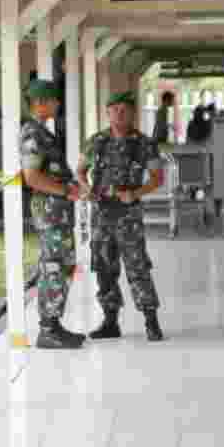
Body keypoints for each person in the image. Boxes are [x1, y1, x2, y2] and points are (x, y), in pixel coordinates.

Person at [77, 91, 165, 342]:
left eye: (124, 109)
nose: (119, 114)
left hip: (129, 215)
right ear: (107, 113)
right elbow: (81, 171)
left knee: (138, 267)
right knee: (104, 268)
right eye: (114, 109)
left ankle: (151, 320)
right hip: (102, 214)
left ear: (132, 113)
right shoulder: (96, 141)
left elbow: (158, 179)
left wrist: (136, 192)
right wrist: (86, 188)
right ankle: (110, 321)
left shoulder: (145, 143)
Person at [20, 79, 86, 349]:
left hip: (57, 211)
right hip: (50, 211)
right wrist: (64, 191)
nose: (58, 104)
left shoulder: (41, 132)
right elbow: (32, 177)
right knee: (54, 266)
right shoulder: (32, 134)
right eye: (54, 99)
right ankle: (48, 329)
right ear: (40, 102)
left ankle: (54, 324)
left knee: (62, 265)